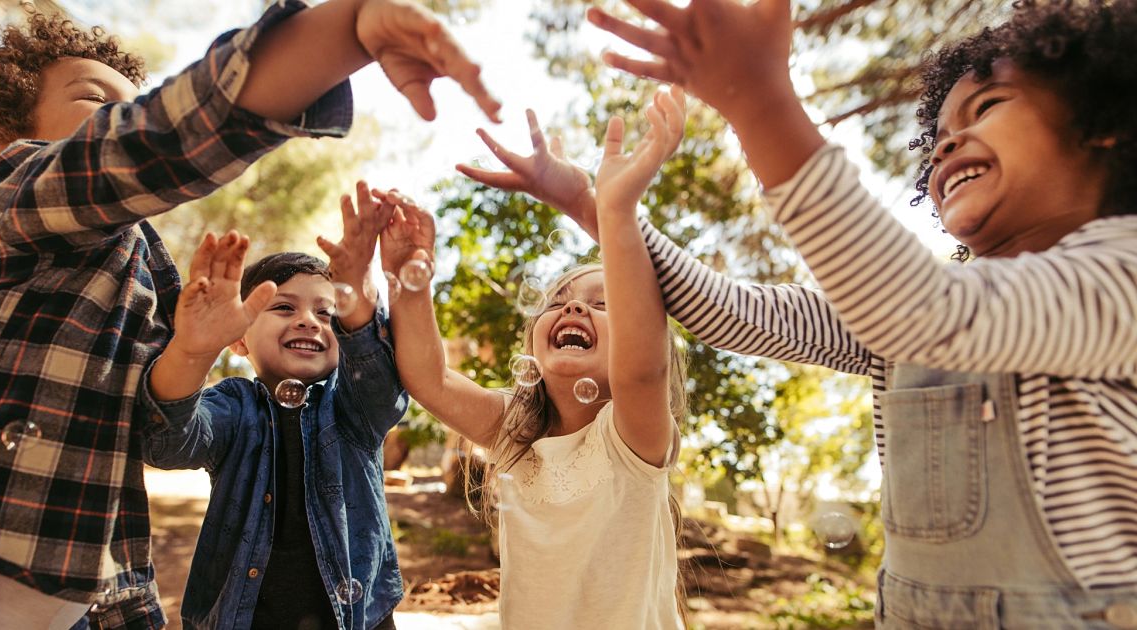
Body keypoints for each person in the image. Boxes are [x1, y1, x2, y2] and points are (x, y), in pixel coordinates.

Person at [462, 0, 1137, 627]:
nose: (945, 145)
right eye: (940, 132)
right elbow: (733, 312)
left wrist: (760, 104)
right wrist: (597, 206)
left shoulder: (1120, 273)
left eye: (986, 107)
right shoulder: (901, 312)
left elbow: (935, 312)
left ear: (1101, 124)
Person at [0, 0, 499, 627]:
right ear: (7, 143)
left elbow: (151, 416)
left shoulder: (146, 263)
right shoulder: (16, 196)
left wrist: (201, 346)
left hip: (79, 576)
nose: (121, 118)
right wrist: (338, 35)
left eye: (132, 103)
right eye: (100, 103)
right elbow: (145, 145)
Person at [381, 88, 691, 629]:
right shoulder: (515, 433)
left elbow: (644, 366)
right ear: (533, 342)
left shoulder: (633, 437)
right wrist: (410, 279)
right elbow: (428, 380)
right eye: (558, 302)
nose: (573, 305)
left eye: (604, 302)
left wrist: (609, 207)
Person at [141, 182, 407, 630]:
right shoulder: (233, 405)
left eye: (327, 313)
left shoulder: (354, 406)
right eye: (284, 307)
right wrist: (192, 351)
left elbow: (383, 385)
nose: (308, 319)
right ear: (240, 338)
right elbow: (168, 442)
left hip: (357, 617)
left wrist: (358, 293)